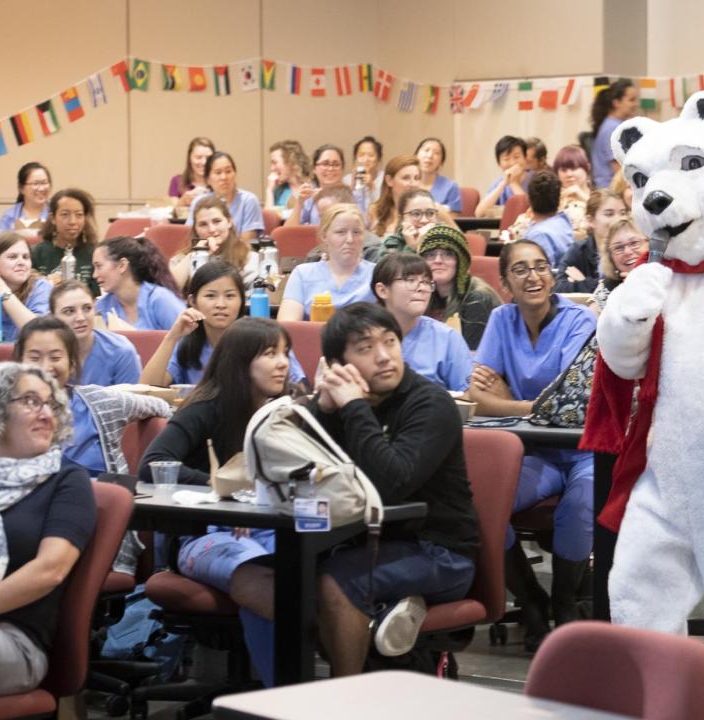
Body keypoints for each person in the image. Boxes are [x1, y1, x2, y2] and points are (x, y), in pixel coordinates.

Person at [227, 305, 479, 679]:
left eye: (390, 342)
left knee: (337, 583)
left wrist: (355, 407)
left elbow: (394, 484)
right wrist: (322, 411)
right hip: (353, 544)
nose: (383, 356)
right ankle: (292, 688)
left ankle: (344, 701)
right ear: (336, 365)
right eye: (364, 348)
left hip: (438, 551)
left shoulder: (430, 403)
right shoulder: (340, 404)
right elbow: (296, 470)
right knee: (249, 578)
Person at [137, 317, 294, 686]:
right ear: (241, 362)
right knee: (267, 585)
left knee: (314, 577)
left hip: (268, 529)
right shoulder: (206, 407)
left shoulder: (284, 413)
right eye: (270, 354)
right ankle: (287, 696)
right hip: (202, 535)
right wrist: (224, 490)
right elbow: (153, 464)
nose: (283, 363)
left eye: (285, 353)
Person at [468, 240, 596, 650]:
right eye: (520, 270)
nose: (533, 276)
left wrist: (509, 399)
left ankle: (565, 601)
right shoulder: (501, 319)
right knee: (481, 503)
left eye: (541, 266)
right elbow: (477, 396)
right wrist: (528, 405)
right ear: (505, 282)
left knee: (580, 506)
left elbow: (569, 400)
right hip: (532, 451)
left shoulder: (580, 320)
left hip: (584, 450)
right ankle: (532, 600)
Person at [0, 362, 94, 697]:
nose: (47, 414)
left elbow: (50, 571)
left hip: (15, 642)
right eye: (31, 401)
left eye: (52, 404)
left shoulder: (68, 480)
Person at [14, 317, 169, 476]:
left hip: (98, 498)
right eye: (34, 358)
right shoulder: (0, 413)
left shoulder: (101, 402)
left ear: (72, 363)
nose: (45, 367)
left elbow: (162, 407)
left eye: (55, 358)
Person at [143, 262, 306, 387]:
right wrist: (172, 337)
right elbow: (147, 389)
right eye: (211, 296)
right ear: (193, 301)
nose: (221, 304)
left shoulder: (265, 339)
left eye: (229, 296)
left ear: (242, 301)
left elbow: (299, 388)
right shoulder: (186, 345)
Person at [372, 253, 471, 391]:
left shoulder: (447, 338)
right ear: (382, 290)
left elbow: (467, 396)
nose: (422, 288)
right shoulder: (361, 336)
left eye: (426, 282)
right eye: (410, 280)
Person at [277, 204, 376, 321]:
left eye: (356, 232)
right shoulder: (303, 274)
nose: (350, 240)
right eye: (341, 232)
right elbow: (289, 326)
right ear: (324, 236)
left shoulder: (376, 274)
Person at [420, 225, 501, 350]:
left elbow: (472, 356)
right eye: (430, 255)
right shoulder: (427, 295)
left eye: (447, 254)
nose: (438, 260)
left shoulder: (477, 299)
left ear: (460, 261)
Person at [49, 281, 141, 386]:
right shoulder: (42, 354)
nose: (80, 318)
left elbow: (130, 401)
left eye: (87, 308)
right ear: (53, 317)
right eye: (69, 311)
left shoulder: (121, 352)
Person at [92, 236, 184, 331]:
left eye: (99, 266)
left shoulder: (160, 299)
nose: (94, 275)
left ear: (122, 265)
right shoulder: (102, 306)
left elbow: (189, 340)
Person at [169, 196, 260, 291]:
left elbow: (258, 296)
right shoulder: (182, 258)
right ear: (195, 229)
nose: (212, 229)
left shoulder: (248, 257)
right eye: (203, 224)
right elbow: (169, 291)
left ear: (229, 222)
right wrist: (195, 255)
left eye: (217, 221)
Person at [555, 189, 628, 294]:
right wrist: (599, 285)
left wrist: (583, 282)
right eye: (609, 214)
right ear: (590, 220)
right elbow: (559, 288)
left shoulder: (629, 248)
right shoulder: (579, 249)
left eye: (622, 213)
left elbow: (622, 287)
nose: (618, 219)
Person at [30, 188, 99, 295]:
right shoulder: (36, 254)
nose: (73, 221)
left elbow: (98, 296)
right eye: (65, 214)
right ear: (52, 218)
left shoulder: (95, 254)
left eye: (79, 215)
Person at [185, 152, 264, 242]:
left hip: (238, 254)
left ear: (235, 174)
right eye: (218, 172)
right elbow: (190, 237)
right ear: (208, 180)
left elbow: (247, 241)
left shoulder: (249, 200)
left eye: (228, 171)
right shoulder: (199, 202)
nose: (224, 177)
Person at [0, 232, 51, 343]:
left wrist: (1, 288)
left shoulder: (41, 287)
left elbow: (37, 333)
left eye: (26, 257)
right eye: (12, 257)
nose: (21, 262)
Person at [286, 145, 354, 227]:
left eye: (336, 164)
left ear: (342, 168)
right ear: (314, 168)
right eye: (325, 164)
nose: (330, 169)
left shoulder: (353, 196)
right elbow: (288, 231)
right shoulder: (309, 198)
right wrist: (299, 203)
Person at [376, 189, 450, 259]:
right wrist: (412, 248)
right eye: (416, 214)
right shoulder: (392, 244)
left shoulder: (448, 238)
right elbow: (392, 272)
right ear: (402, 218)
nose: (424, 220)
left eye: (430, 213)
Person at [590, 79, 638, 188]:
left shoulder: (615, 125)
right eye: (631, 100)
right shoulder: (612, 128)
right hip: (609, 190)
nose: (636, 104)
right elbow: (619, 170)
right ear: (616, 103)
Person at [590, 218, 644, 309]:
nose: (627, 252)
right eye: (618, 248)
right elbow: (593, 314)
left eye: (634, 243)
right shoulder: (608, 286)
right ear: (610, 257)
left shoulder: (669, 277)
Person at [522, 170, 574, 265]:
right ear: (559, 199)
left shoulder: (538, 235)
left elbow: (542, 275)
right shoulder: (563, 221)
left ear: (528, 199)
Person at [368, 155, 422, 238]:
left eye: (417, 178)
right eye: (406, 178)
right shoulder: (374, 211)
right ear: (389, 180)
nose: (413, 184)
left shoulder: (429, 212)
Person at [476, 136, 529, 216]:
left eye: (516, 157)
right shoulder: (499, 183)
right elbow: (479, 213)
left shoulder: (535, 180)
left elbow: (528, 212)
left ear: (525, 159)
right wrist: (503, 184)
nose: (512, 163)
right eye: (506, 159)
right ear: (499, 163)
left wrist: (513, 183)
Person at [0, 163, 51, 233]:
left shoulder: (55, 214)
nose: (41, 189)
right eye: (36, 184)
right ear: (21, 188)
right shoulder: (10, 216)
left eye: (44, 183)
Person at [413, 138, 461, 213]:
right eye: (426, 150)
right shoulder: (406, 184)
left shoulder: (450, 186)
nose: (429, 156)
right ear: (416, 155)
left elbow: (452, 221)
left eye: (436, 153)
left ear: (441, 162)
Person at [169, 137, 215, 210]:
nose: (204, 162)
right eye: (198, 157)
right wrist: (182, 201)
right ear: (189, 158)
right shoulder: (177, 181)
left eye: (208, 158)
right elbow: (172, 212)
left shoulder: (219, 181)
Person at [264, 140, 309, 209]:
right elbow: (268, 218)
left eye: (275, 162)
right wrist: (269, 191)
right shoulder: (278, 191)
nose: (272, 168)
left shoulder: (312, 187)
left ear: (291, 162)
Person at [352, 136, 384, 205]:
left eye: (371, 155)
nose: (366, 159)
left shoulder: (384, 179)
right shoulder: (347, 179)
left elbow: (384, 208)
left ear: (379, 158)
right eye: (361, 155)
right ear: (355, 158)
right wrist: (352, 185)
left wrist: (372, 186)